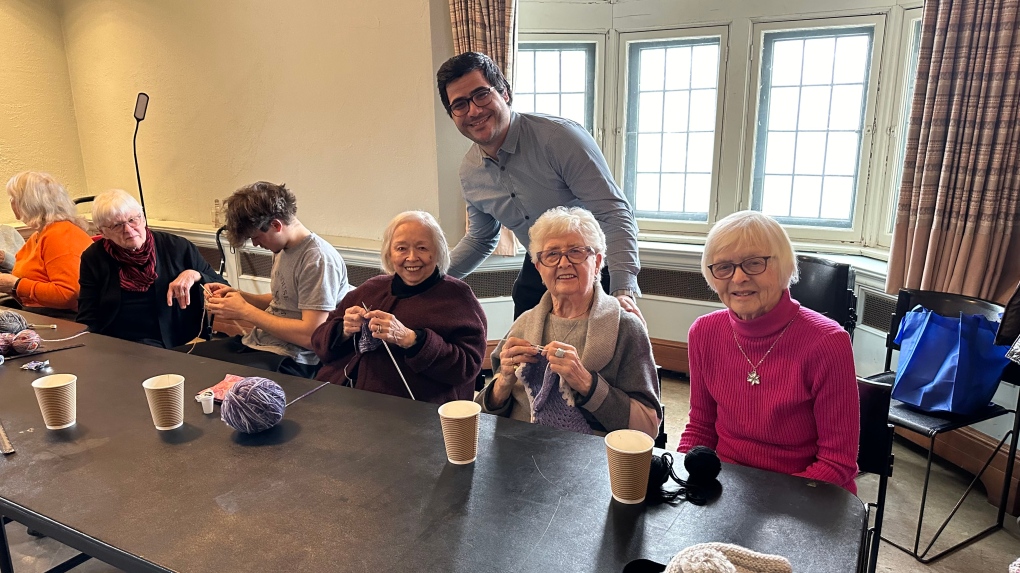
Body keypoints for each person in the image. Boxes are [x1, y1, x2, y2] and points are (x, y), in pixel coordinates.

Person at [436, 52, 643, 320]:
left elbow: (613, 212)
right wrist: (430, 279)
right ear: (452, 115)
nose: (474, 110)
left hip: (590, 264)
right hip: (539, 267)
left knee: (593, 358)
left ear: (505, 93)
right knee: (524, 353)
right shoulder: (470, 172)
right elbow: (481, 238)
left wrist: (623, 290)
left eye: (481, 95)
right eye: (460, 104)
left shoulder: (559, 139)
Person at [678, 211, 859, 493]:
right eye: (724, 267)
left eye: (754, 263)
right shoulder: (703, 333)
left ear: (784, 267)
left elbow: (837, 463)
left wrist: (766, 508)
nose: (738, 278)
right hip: (728, 485)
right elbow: (701, 428)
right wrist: (684, 476)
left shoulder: (827, 342)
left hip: (807, 491)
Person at [476, 207, 660, 437]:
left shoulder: (625, 328)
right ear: (539, 268)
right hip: (519, 452)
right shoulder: (523, 324)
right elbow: (484, 415)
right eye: (551, 254)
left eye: (576, 251)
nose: (563, 263)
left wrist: (587, 384)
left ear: (597, 262)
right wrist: (503, 383)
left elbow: (648, 427)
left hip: (588, 460)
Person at [311, 211, 486, 404]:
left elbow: (467, 367)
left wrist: (412, 340)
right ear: (389, 253)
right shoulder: (371, 288)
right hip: (345, 396)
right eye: (401, 248)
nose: (411, 258)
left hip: (412, 411)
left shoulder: (459, 298)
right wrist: (343, 330)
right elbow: (319, 342)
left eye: (421, 248)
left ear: (437, 252)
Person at [190, 181, 350, 378]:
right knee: (182, 361)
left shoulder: (317, 259)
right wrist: (240, 296)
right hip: (261, 342)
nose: (255, 244)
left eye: (256, 237)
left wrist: (245, 311)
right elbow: (284, 300)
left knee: (204, 377)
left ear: (276, 225)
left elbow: (311, 336)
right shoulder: (283, 248)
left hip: (293, 359)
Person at [77, 189, 224, 348]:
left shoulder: (177, 247)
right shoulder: (93, 258)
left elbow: (223, 287)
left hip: (175, 338)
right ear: (103, 232)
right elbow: (88, 315)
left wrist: (195, 275)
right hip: (118, 343)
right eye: (117, 225)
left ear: (144, 218)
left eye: (133, 219)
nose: (128, 230)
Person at [0, 172, 93, 315]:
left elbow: (68, 295)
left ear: (28, 203)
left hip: (65, 321)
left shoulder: (60, 235)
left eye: (13, 198)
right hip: (42, 315)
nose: (11, 203)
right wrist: (12, 287)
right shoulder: (39, 235)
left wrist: (16, 284)